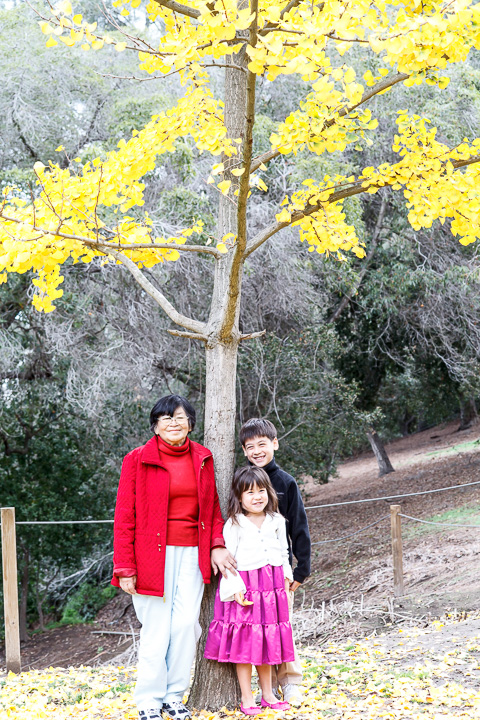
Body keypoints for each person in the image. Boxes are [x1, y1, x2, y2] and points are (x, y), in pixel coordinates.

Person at [111, 395, 236, 720]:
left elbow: (212, 508)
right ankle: (149, 701)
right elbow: (124, 516)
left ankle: (173, 697)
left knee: (184, 626)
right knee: (156, 629)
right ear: (155, 426)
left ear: (190, 424)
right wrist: (124, 566)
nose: (174, 423)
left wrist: (217, 543)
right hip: (150, 557)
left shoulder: (203, 458)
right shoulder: (137, 460)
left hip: (193, 553)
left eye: (180, 417)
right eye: (166, 418)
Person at [204, 466, 295, 716]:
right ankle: (247, 697)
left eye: (261, 491)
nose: (257, 497)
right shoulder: (234, 524)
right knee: (245, 644)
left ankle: (268, 694)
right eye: (250, 492)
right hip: (245, 589)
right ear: (240, 497)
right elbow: (229, 561)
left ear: (269, 492)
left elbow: (283, 552)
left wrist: (286, 577)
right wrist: (235, 588)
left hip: (272, 588)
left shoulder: (277, 520)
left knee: (266, 642)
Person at [239, 418, 311, 707]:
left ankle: (290, 682)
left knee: (282, 627)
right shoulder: (241, 481)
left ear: (275, 444)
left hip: (280, 572)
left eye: (262, 444)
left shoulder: (285, 482)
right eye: (250, 446)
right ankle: (265, 688)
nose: (257, 451)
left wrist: (301, 569)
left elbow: (299, 527)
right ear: (244, 451)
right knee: (258, 630)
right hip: (249, 574)